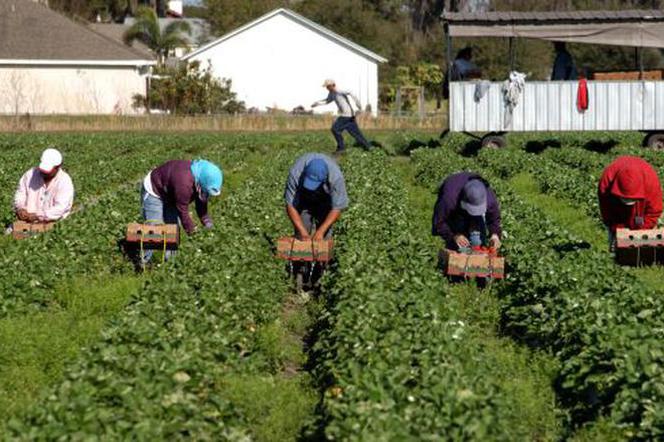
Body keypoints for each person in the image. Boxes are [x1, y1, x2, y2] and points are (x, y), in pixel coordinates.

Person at [140, 159, 223, 263]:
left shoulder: (201, 180)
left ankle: (170, 263)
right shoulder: (184, 183)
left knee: (173, 229)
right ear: (202, 182)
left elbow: (201, 206)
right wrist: (193, 232)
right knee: (154, 228)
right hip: (155, 190)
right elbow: (183, 211)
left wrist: (207, 223)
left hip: (171, 193)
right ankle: (144, 262)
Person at [598, 156, 662, 249]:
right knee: (615, 246)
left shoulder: (651, 183)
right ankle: (615, 255)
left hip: (640, 213)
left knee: (646, 244)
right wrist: (617, 231)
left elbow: (653, 213)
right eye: (625, 199)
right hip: (616, 208)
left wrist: (641, 233)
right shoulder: (607, 181)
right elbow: (607, 212)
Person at [284, 153, 348, 242]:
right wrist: (303, 232)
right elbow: (290, 205)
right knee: (302, 237)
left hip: (325, 199)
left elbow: (337, 208)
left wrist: (321, 231)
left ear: (325, 178)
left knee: (324, 239)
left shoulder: (336, 177)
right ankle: (301, 254)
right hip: (304, 198)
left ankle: (324, 254)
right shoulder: (296, 173)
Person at [432, 172, 501, 251]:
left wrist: (495, 235)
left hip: (469, 201)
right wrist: (454, 236)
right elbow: (439, 222)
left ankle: (478, 254)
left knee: (478, 239)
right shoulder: (449, 199)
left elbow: (494, 219)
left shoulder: (489, 199)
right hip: (455, 211)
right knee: (457, 245)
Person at [11, 147, 74, 228]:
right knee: (11, 233)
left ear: (58, 167)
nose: (44, 172)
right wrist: (20, 208)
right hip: (26, 221)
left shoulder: (64, 181)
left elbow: (60, 208)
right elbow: (20, 193)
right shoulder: (30, 175)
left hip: (54, 223)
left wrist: (38, 216)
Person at [311, 79, 372, 154]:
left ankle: (341, 148)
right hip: (349, 116)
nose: (327, 88)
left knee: (335, 129)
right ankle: (368, 147)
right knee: (356, 133)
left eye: (328, 86)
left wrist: (358, 103)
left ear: (332, 85)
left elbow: (350, 92)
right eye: (326, 87)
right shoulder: (331, 93)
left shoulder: (339, 91)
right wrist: (317, 103)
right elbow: (327, 101)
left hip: (346, 115)